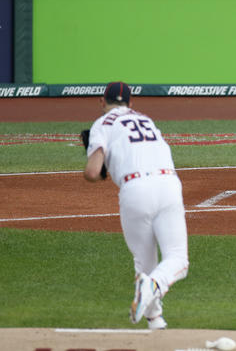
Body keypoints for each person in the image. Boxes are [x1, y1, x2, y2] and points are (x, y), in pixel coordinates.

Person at [83, 81, 189, 329]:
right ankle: (155, 319)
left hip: (135, 191)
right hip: (168, 184)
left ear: (102, 102)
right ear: (131, 103)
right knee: (178, 260)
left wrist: (96, 158)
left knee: (145, 265)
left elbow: (93, 172)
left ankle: (153, 297)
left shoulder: (102, 124)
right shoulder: (146, 119)